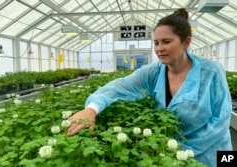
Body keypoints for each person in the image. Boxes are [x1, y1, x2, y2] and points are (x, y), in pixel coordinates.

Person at [67, 8, 233, 167]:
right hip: (171, 154)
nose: (159, 48)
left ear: (186, 42)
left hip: (213, 154)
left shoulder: (211, 71)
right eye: (156, 42)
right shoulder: (153, 72)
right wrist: (92, 109)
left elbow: (221, 122)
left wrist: (180, 149)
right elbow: (119, 86)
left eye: (166, 42)